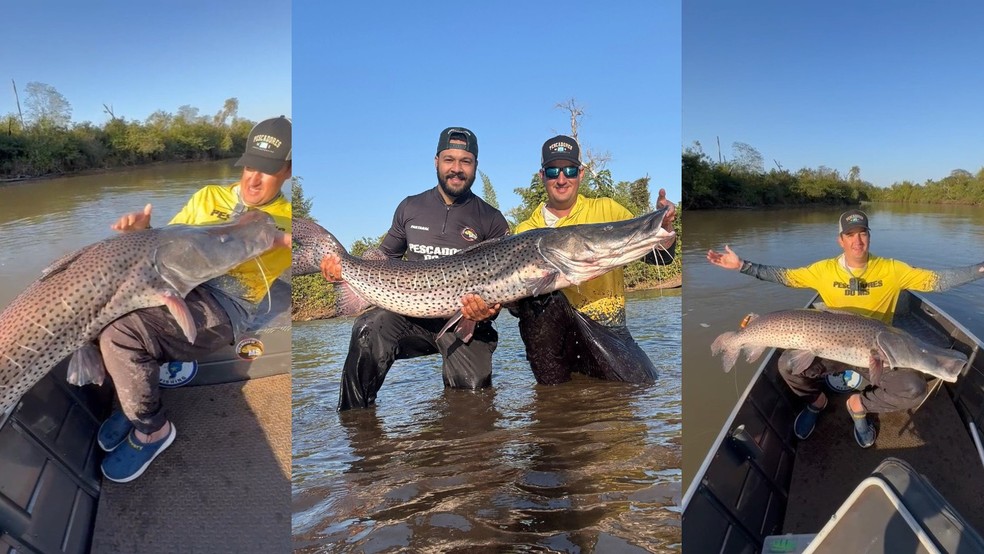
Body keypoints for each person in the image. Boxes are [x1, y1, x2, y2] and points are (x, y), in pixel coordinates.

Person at [96, 116, 293, 482]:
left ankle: (152, 428)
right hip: (173, 283)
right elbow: (165, 244)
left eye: (267, 171)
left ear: (288, 171)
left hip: (224, 302)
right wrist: (143, 234)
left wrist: (291, 242)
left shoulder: (291, 221)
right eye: (249, 166)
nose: (252, 179)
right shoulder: (207, 196)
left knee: (121, 334)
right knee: (97, 314)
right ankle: (132, 398)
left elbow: (318, 254)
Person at [706, 209, 984, 448]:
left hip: (876, 347)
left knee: (913, 388)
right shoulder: (823, 270)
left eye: (862, 233)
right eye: (850, 234)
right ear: (841, 239)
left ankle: (859, 406)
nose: (857, 240)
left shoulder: (892, 269)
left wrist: (979, 270)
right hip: (826, 343)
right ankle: (817, 402)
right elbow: (785, 277)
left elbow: (937, 281)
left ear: (869, 237)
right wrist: (743, 265)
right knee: (787, 367)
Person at [321, 127, 509, 411]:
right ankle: (354, 421)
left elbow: (506, 285)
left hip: (466, 322)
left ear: (475, 166)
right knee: (367, 329)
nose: (456, 169)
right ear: (436, 161)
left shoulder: (491, 219)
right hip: (411, 317)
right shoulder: (410, 207)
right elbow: (380, 260)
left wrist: (492, 309)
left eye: (465, 161)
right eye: (449, 160)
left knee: (473, 407)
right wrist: (341, 271)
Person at [510, 135, 678, 385]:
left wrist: (662, 230)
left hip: (611, 331)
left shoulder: (607, 209)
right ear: (542, 175)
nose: (562, 178)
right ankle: (552, 394)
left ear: (581, 173)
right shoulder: (526, 230)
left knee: (644, 384)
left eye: (569, 170)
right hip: (557, 336)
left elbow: (661, 259)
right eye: (553, 170)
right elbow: (517, 304)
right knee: (544, 298)